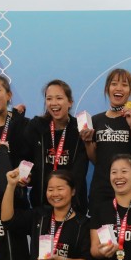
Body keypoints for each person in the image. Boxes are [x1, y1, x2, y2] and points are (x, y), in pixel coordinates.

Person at [82, 68, 131, 211]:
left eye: (124, 85)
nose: (118, 88)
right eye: (114, 84)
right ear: (107, 88)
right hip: (101, 189)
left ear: (130, 91)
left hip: (128, 189)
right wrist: (87, 142)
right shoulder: (96, 120)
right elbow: (95, 159)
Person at [24, 79, 89, 209]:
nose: (54, 103)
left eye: (59, 98)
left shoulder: (80, 129)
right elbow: (25, 158)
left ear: (70, 102)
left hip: (73, 205)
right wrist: (24, 175)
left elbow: (80, 171)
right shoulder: (36, 126)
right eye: (49, 99)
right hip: (41, 204)